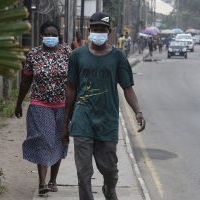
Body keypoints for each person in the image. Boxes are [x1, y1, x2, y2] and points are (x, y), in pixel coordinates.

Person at [62, 12, 146, 200]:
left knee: (110, 170)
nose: (98, 32)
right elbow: (71, 90)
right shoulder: (77, 55)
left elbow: (127, 88)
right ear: (89, 30)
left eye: (102, 30)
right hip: (82, 118)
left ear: (109, 32)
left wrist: (138, 111)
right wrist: (65, 123)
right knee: (83, 173)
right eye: (95, 29)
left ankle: (109, 189)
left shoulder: (118, 57)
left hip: (107, 120)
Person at [15, 21, 71, 196]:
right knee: (44, 140)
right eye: (48, 34)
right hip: (40, 104)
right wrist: (18, 102)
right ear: (41, 36)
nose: (51, 37)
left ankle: (53, 179)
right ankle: (42, 182)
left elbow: (74, 81)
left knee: (58, 140)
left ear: (59, 36)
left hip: (62, 105)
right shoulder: (33, 54)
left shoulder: (67, 53)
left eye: (54, 35)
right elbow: (26, 80)